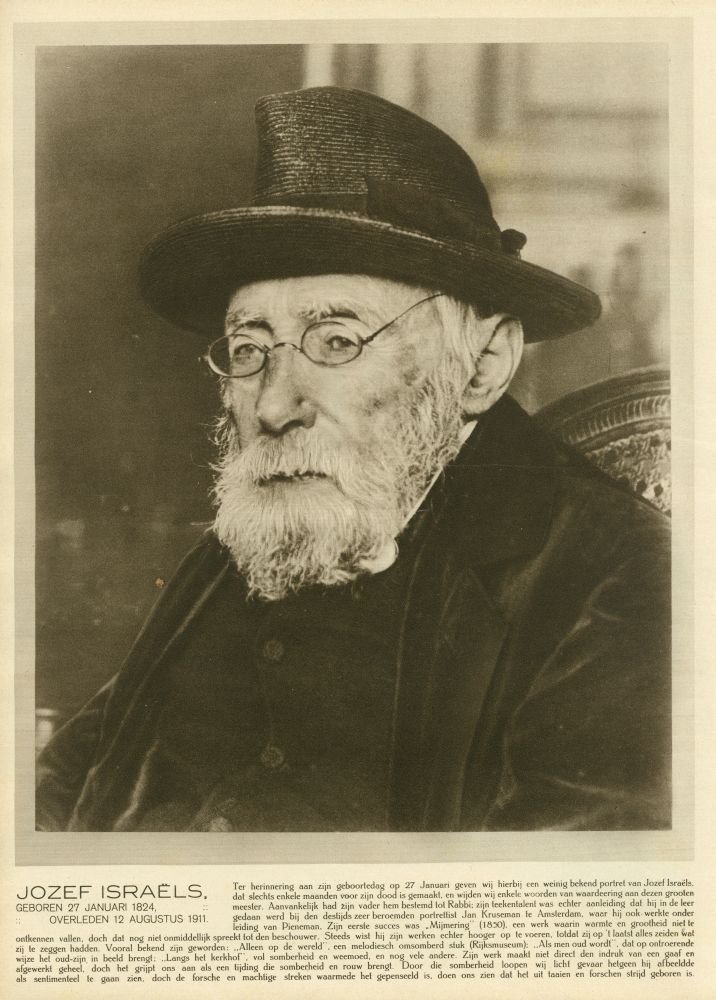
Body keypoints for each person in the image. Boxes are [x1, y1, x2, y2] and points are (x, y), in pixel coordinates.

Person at [36, 86, 670, 833]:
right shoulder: (261, 530)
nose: (273, 406)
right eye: (248, 349)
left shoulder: (619, 575)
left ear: (483, 365)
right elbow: (72, 776)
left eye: (337, 341)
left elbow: (554, 885)